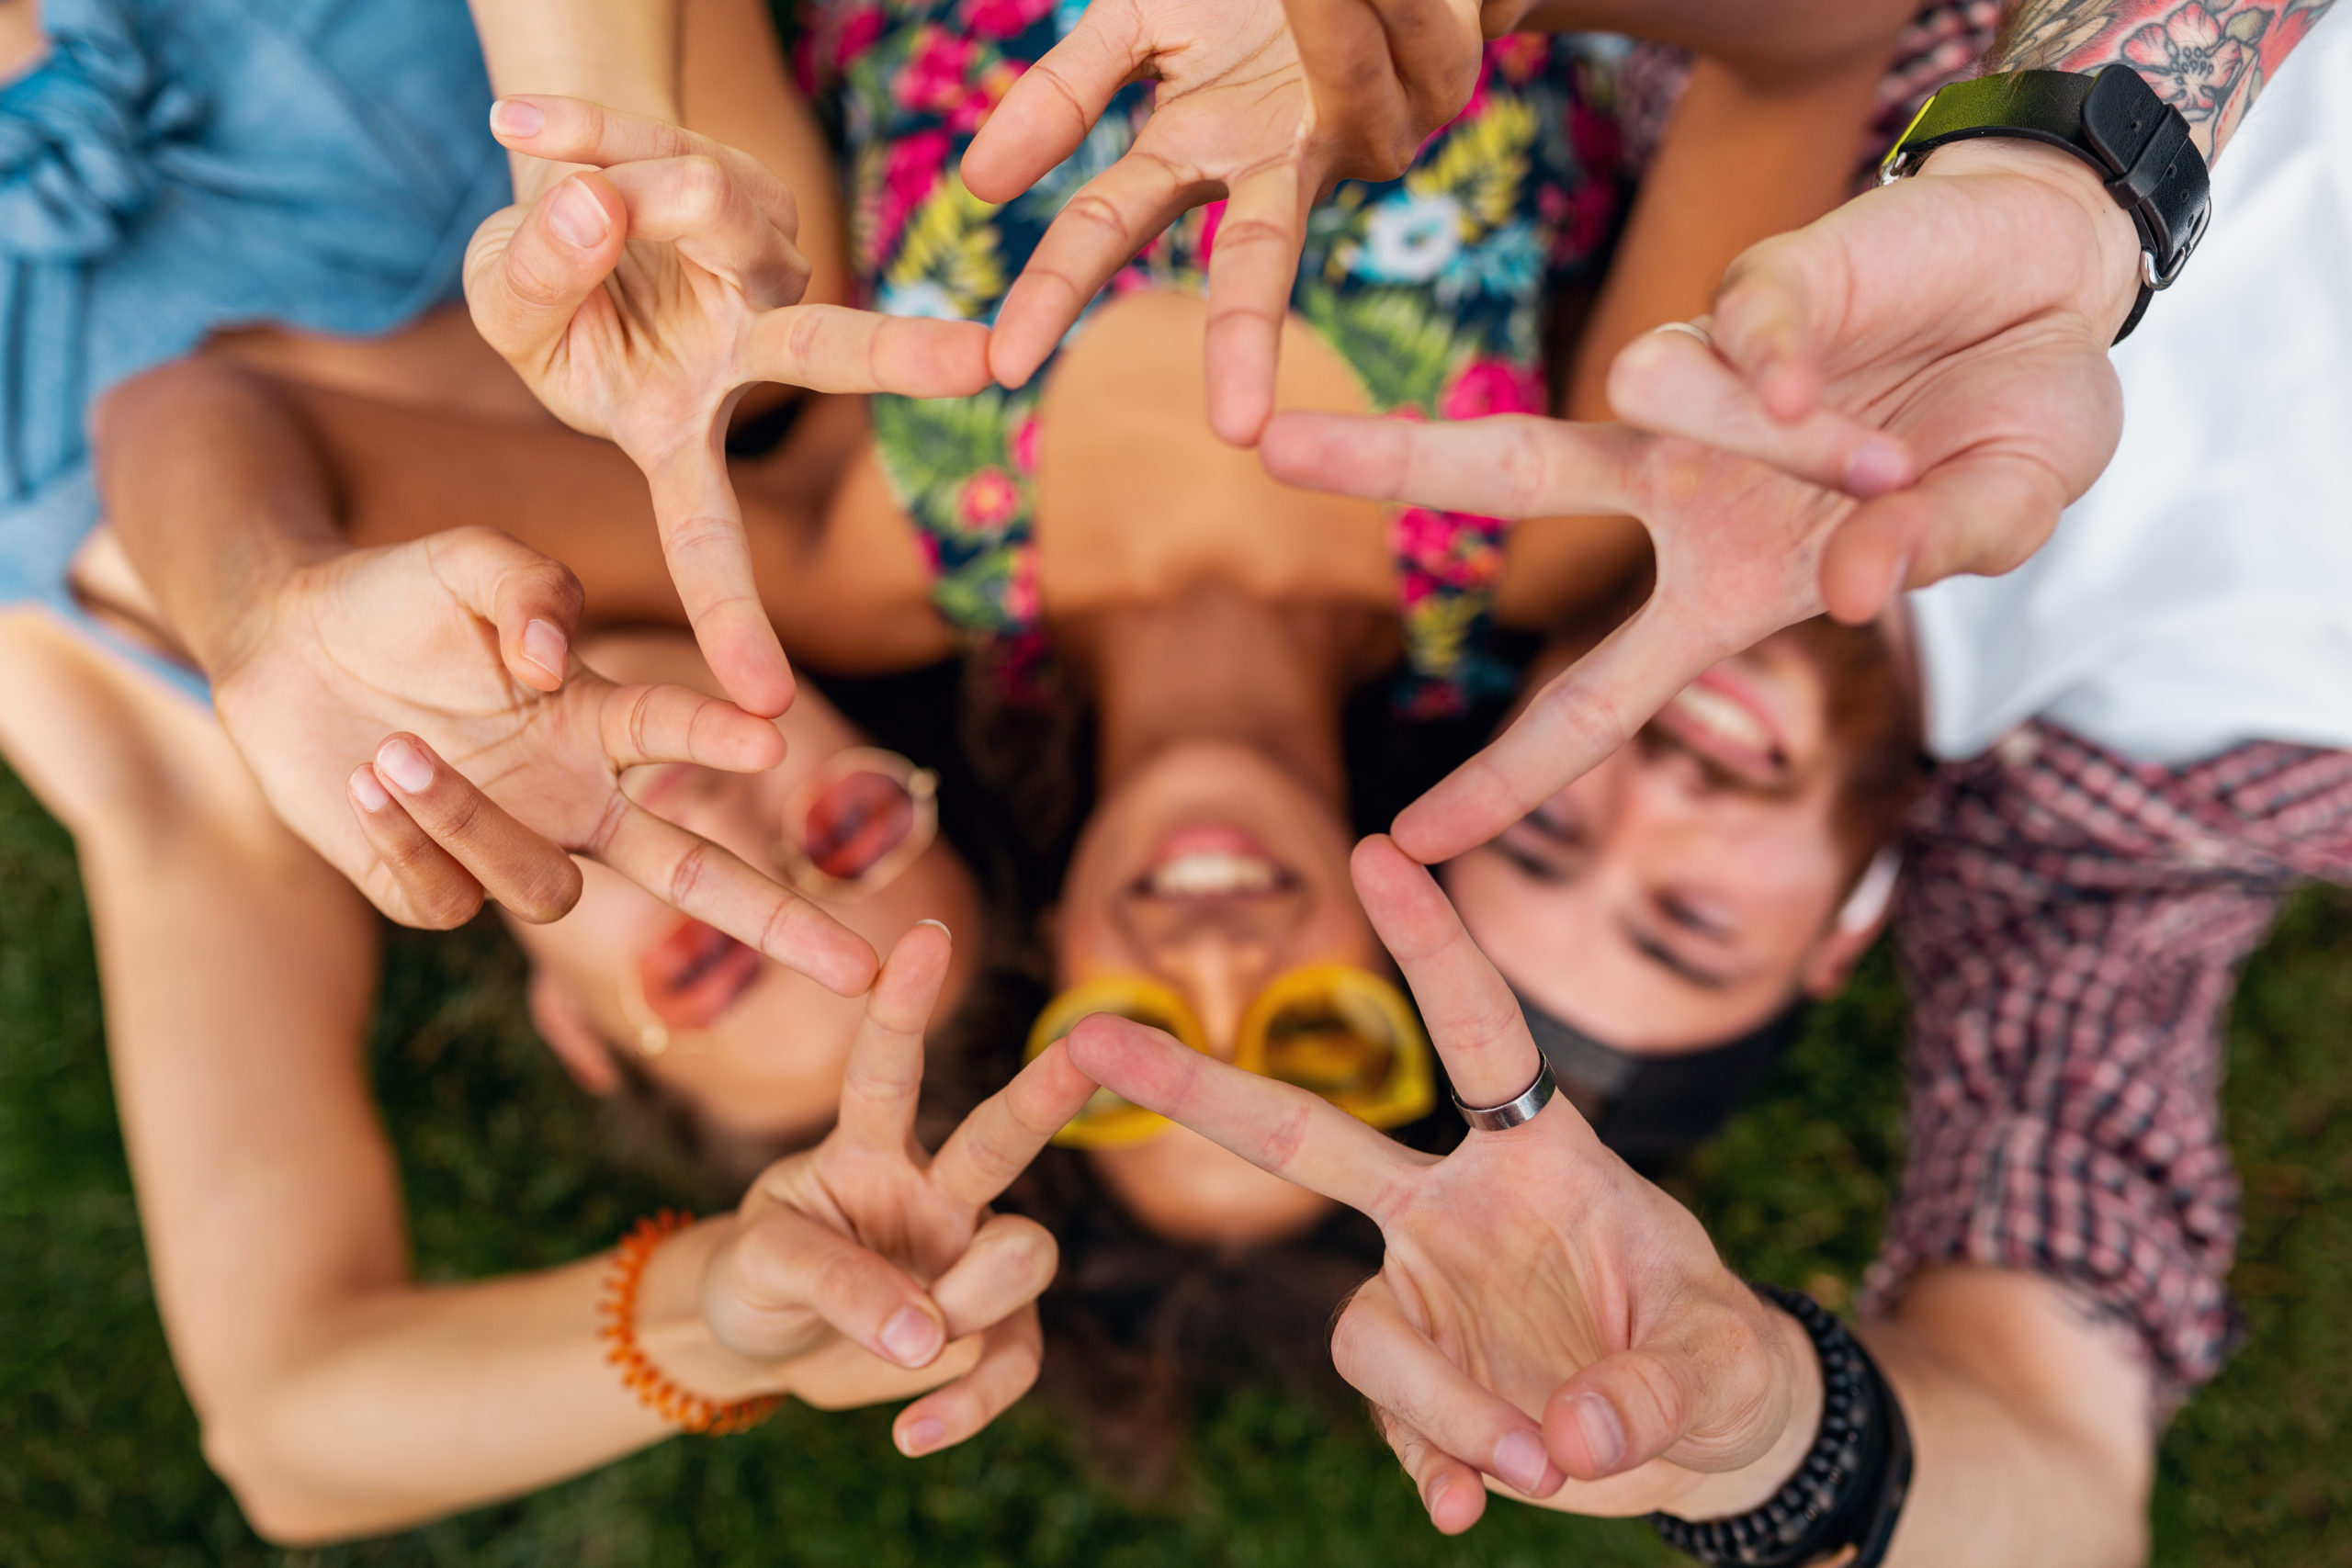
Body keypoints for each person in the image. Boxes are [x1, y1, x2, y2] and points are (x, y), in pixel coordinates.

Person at [1065, 15, 2352, 1562]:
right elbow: (2065, 1469)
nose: (1660, 797)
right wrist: (1773, 1446)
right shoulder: (2116, 858)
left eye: (1547, 826)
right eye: (1687, 920)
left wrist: (2068, 161)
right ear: (1842, 936)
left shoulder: (1753, 283)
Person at [0, 593, 1098, 1542]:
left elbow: (279, 1435)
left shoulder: (231, 819)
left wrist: (716, 1329)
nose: (722, 828)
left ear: (569, 1025)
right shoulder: (756, 472)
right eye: (850, 831)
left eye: (706, 956)